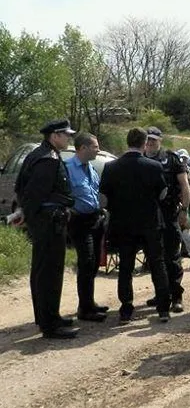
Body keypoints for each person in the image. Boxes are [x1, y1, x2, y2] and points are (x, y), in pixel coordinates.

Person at [100, 127, 171, 324]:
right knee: (157, 264)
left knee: (125, 266)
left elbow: (103, 199)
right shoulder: (153, 166)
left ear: (127, 142)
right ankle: (163, 308)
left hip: (123, 224)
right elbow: (163, 193)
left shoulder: (111, 167)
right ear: (144, 143)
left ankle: (126, 309)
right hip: (150, 222)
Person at [15, 119, 78, 338]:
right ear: (54, 136)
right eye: (66, 135)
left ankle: (49, 316)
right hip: (49, 222)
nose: (69, 138)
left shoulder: (41, 155)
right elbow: (32, 194)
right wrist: (34, 218)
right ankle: (50, 324)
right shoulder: (47, 160)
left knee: (46, 271)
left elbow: (20, 187)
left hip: (48, 221)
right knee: (49, 273)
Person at [144, 127, 190, 313]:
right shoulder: (140, 159)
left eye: (154, 139)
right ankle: (161, 294)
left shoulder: (171, 159)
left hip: (169, 213)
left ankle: (176, 296)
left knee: (172, 257)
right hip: (148, 216)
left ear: (160, 141)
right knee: (154, 258)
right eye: (148, 139)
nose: (150, 143)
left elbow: (185, 185)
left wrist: (184, 210)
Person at [65, 132, 108, 322]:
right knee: (86, 261)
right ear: (82, 148)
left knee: (94, 263)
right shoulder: (67, 168)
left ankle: (89, 302)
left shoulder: (90, 167)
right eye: (95, 146)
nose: (98, 150)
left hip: (95, 219)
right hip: (79, 222)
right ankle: (84, 309)